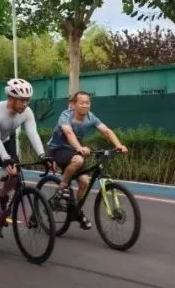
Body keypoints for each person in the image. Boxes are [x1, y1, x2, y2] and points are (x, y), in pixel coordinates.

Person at [0, 78, 54, 238]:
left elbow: (32, 133)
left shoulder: (27, 112)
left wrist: (43, 155)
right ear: (11, 98)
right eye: (21, 100)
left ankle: (1, 197)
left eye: (27, 100)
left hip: (5, 140)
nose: (25, 104)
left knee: (15, 174)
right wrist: (6, 158)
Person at [47, 91, 128, 230]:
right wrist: (79, 148)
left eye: (87, 103)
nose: (85, 105)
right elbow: (68, 133)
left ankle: (75, 210)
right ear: (73, 104)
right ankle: (62, 188)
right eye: (82, 103)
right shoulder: (66, 115)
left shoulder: (91, 117)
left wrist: (118, 145)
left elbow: (106, 131)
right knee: (78, 160)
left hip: (74, 150)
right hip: (58, 149)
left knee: (85, 182)